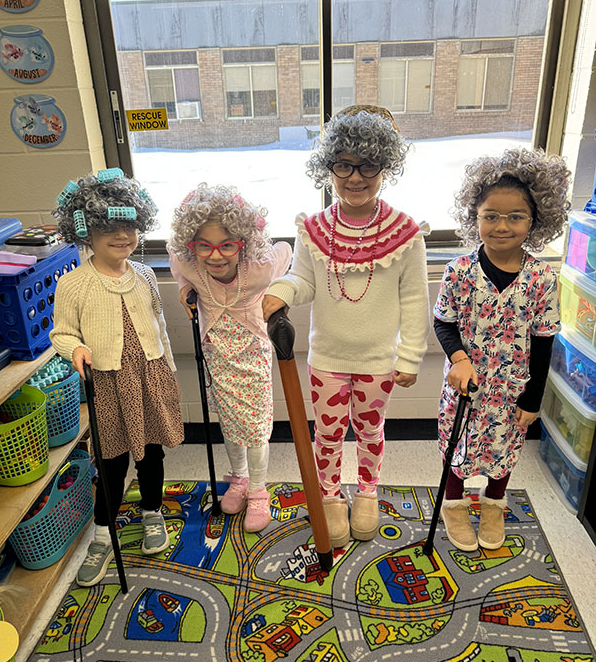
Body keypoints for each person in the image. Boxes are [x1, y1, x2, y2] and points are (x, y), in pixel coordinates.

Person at [262, 105, 430, 547]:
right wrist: (281, 290)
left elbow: (414, 298)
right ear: (328, 169)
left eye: (368, 166)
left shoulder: (406, 232)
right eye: (343, 166)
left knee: (372, 431)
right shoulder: (314, 229)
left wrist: (411, 355)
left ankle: (369, 492)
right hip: (328, 359)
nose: (355, 177)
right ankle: (331, 495)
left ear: (384, 167)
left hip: (379, 360)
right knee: (329, 433)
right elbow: (303, 279)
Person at [50, 168, 184, 587]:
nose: (122, 236)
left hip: (150, 374)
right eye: (109, 228)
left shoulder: (144, 275)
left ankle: (151, 511)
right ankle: (103, 532)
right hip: (108, 383)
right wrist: (76, 349)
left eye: (129, 226)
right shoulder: (73, 284)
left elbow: (158, 325)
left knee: (152, 453)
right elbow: (62, 331)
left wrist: (170, 371)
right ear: (86, 231)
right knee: (110, 460)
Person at [433, 147, 571, 552]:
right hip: (464, 387)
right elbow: (443, 321)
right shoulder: (458, 270)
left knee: (504, 449)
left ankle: (494, 502)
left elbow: (545, 340)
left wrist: (533, 397)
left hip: (512, 390)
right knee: (458, 443)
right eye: (490, 215)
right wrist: (458, 358)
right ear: (474, 217)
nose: (502, 226)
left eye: (515, 216)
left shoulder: (542, 277)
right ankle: (454, 503)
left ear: (535, 220)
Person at [167, 184, 291, 532]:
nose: (215, 256)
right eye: (203, 245)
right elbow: (174, 258)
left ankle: (258, 490)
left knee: (254, 429)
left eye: (226, 245)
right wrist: (182, 288)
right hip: (216, 355)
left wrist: (279, 293)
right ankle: (239, 478)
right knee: (229, 424)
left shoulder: (261, 268)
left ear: (244, 243)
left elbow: (285, 250)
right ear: (192, 244)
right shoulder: (190, 263)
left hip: (252, 355)